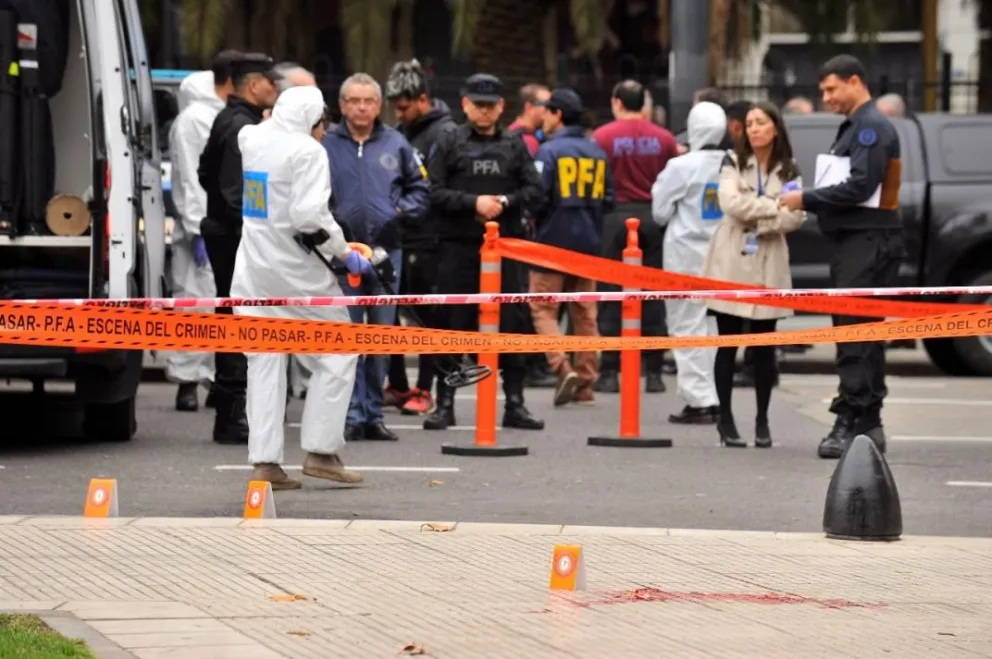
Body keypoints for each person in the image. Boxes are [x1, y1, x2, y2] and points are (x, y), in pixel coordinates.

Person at [232, 86, 370, 490]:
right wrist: (346, 254)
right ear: (308, 121)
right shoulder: (307, 152)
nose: (324, 132)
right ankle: (321, 450)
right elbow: (309, 215)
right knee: (340, 349)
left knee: (264, 363)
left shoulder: (251, 139)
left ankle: (265, 464)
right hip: (297, 273)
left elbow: (256, 129)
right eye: (320, 123)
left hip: (253, 270)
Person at [778, 54, 903, 458]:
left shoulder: (870, 128)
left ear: (855, 81)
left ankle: (858, 420)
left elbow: (859, 186)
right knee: (856, 332)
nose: (827, 97)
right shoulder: (856, 126)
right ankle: (862, 419)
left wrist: (805, 198)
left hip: (867, 242)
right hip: (857, 242)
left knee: (856, 334)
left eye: (832, 89)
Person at [423, 73, 545, 432]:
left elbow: (535, 191)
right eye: (478, 105)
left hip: (504, 250)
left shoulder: (514, 145)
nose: (484, 111)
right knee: (450, 326)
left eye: (490, 105)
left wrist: (503, 202)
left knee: (514, 326)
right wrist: (472, 203)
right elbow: (433, 192)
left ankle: (516, 404)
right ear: (465, 104)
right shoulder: (448, 141)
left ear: (501, 107)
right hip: (458, 249)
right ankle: (444, 405)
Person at [323, 72, 430, 442]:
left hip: (388, 253)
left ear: (378, 105)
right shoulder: (325, 145)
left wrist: (399, 212)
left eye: (369, 100)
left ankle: (372, 414)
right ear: (342, 105)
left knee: (381, 337)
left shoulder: (396, 143)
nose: (362, 107)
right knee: (348, 338)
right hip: (342, 255)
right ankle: (352, 413)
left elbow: (421, 187)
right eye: (354, 100)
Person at [702, 101, 805, 448]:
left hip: (770, 259)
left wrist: (764, 214)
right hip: (731, 258)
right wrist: (775, 208)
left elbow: (795, 218)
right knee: (727, 343)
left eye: (761, 122)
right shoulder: (732, 162)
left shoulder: (789, 169)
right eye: (749, 124)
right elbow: (731, 204)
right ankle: (726, 420)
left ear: (775, 127)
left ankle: (762, 421)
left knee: (764, 347)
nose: (754, 129)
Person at [198, 53, 280, 444]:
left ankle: (231, 408)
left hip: (226, 231)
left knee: (235, 314)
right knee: (238, 317)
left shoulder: (233, 120)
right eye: (270, 82)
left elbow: (204, 172)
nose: (275, 89)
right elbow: (236, 195)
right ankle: (231, 414)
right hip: (234, 236)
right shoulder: (240, 128)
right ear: (253, 85)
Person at [591, 80, 679, 394]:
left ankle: (610, 371)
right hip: (654, 217)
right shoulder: (665, 139)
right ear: (643, 104)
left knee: (612, 294)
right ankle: (653, 372)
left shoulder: (601, 138)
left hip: (614, 217)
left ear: (616, 102)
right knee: (653, 293)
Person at [530, 87, 614, 406]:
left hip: (551, 241)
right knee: (585, 314)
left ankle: (561, 366)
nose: (543, 118)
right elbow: (608, 201)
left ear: (558, 115)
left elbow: (538, 197)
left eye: (547, 112)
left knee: (543, 308)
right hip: (589, 243)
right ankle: (587, 382)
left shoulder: (548, 151)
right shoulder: (597, 152)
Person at [383, 59, 458, 416]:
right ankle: (397, 384)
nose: (399, 113)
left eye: (404, 106)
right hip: (401, 236)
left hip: (431, 239)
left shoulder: (444, 133)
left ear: (423, 99)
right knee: (391, 311)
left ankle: (425, 389)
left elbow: (437, 188)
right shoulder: (401, 131)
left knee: (428, 317)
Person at [166, 50, 238, 412]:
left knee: (214, 307)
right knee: (193, 307)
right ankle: (187, 381)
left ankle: (208, 378)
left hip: (213, 227)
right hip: (199, 229)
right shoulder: (195, 119)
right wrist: (197, 229)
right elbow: (191, 181)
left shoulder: (218, 117)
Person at [651, 101, 727, 425]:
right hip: (721, 256)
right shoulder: (732, 163)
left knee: (685, 326)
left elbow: (660, 212)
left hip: (684, 256)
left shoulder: (681, 166)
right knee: (711, 327)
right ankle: (712, 395)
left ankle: (699, 400)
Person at [506, 83, 556, 389]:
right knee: (526, 298)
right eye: (544, 106)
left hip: (529, 228)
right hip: (524, 230)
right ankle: (531, 363)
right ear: (528, 106)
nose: (549, 112)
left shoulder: (533, 139)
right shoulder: (522, 141)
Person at [507, 83, 550, 157]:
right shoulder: (526, 141)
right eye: (547, 106)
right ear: (529, 107)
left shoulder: (512, 133)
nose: (550, 111)